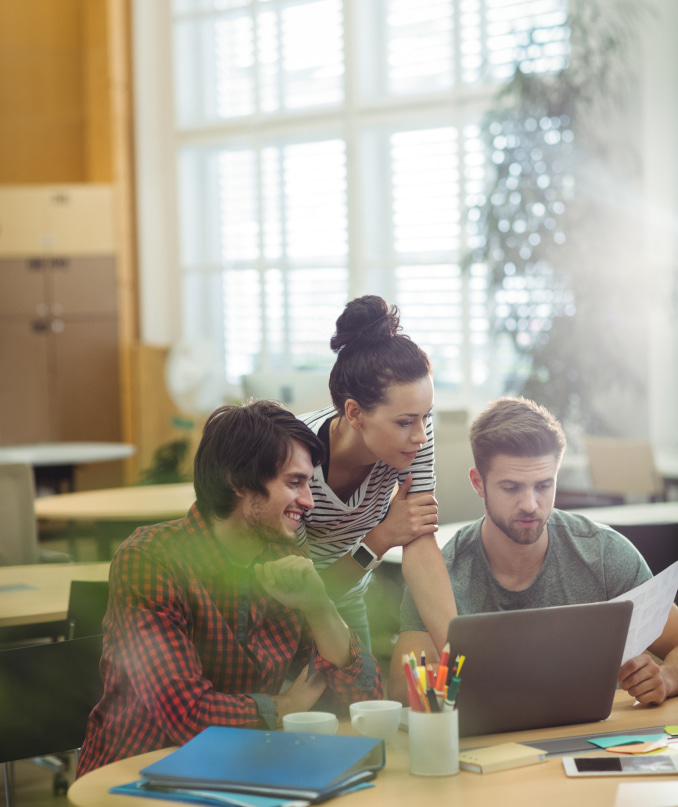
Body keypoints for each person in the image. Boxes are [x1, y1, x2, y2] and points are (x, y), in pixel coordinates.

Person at [77, 400, 382, 777]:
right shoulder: (151, 560)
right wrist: (286, 706)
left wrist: (319, 606)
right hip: (139, 776)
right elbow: (187, 716)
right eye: (294, 482)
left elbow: (366, 701)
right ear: (238, 482)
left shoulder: (283, 555)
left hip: (241, 770)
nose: (309, 500)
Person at [389, 396, 678, 706]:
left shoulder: (605, 554)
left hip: (592, 739)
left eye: (543, 486)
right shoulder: (439, 572)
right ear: (478, 483)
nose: (530, 504)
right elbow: (399, 691)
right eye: (511, 487)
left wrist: (668, 677)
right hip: (489, 748)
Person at [297, 295, 456, 653]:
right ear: (354, 414)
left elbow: (419, 540)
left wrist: (457, 650)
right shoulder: (294, 458)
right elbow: (306, 595)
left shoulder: (412, 438)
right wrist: (382, 536)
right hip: (286, 614)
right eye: (405, 421)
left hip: (352, 599)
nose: (420, 435)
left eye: (426, 416)